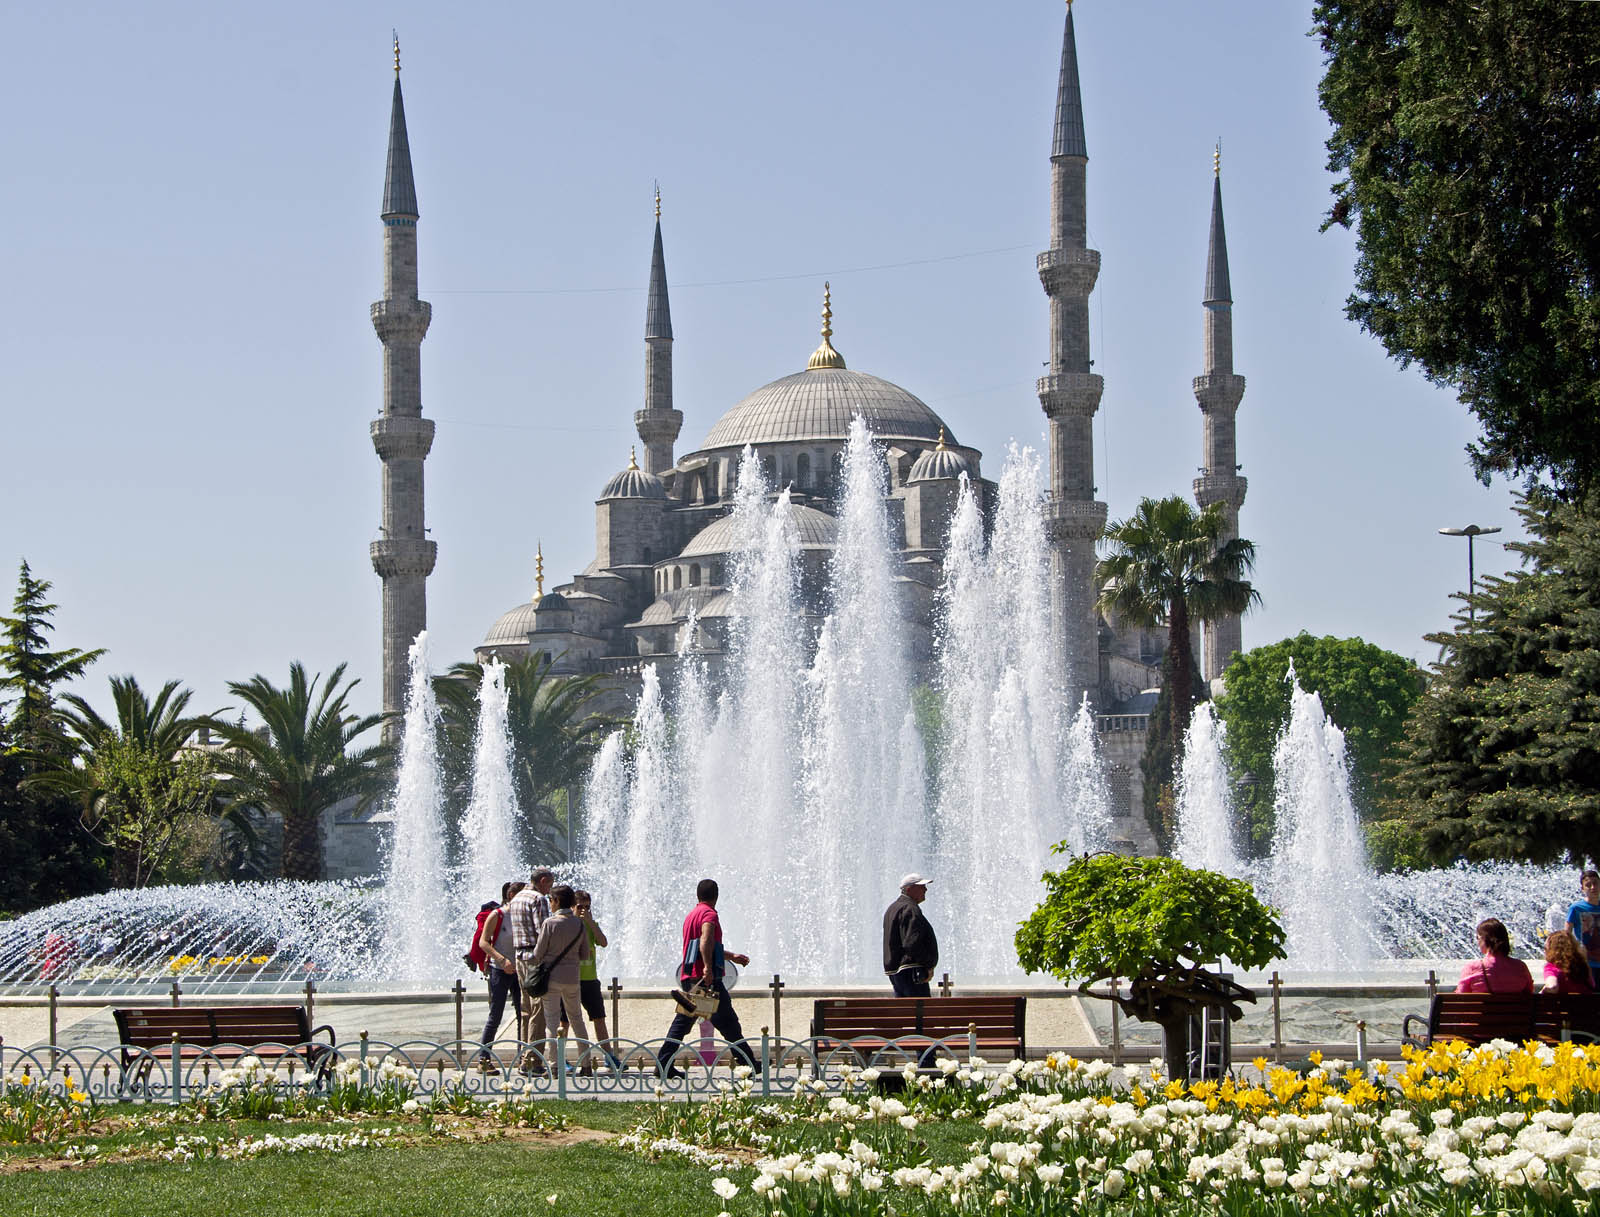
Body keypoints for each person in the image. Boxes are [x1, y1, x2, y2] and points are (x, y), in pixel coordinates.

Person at [656, 878, 756, 1078]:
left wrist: (732, 957)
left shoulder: (691, 915)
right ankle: (749, 1065)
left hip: (690, 976)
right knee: (728, 1022)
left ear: (698, 895)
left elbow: (706, 946)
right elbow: (706, 940)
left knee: (683, 1023)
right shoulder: (709, 914)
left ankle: (663, 1064)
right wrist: (708, 969)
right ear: (716, 896)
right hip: (707, 980)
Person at [528, 884, 591, 1075]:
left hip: (552, 979)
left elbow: (538, 953)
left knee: (552, 1022)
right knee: (577, 1019)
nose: (550, 903)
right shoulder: (579, 924)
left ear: (556, 901)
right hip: (573, 978)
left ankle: (555, 1065)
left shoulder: (550, 923)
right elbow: (585, 954)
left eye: (551, 900)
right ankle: (586, 1064)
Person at [559, 890, 620, 1070]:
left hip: (589, 979)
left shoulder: (591, 925)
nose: (584, 910)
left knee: (599, 1018)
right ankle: (560, 1058)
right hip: (570, 979)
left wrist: (591, 922)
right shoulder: (566, 925)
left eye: (587, 907)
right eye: (580, 907)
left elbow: (603, 942)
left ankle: (608, 1056)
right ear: (572, 906)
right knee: (564, 1021)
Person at [506, 867, 556, 1072]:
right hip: (535, 958)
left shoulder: (517, 898)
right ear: (543, 881)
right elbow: (542, 931)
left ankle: (524, 1056)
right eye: (550, 884)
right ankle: (533, 1060)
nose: (550, 890)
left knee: (525, 1009)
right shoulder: (538, 899)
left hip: (519, 956)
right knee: (538, 1010)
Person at [475, 881, 526, 1073]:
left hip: (520, 970)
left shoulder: (524, 915)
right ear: (511, 895)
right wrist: (502, 960)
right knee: (495, 1014)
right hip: (499, 969)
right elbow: (483, 942)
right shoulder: (498, 915)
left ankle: (524, 1058)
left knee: (524, 1015)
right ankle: (483, 1059)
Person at [883, 873, 938, 997]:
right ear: (909, 889)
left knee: (905, 1007)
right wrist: (928, 965)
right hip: (912, 971)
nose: (925, 889)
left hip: (897, 972)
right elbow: (912, 943)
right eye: (921, 886)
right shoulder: (910, 908)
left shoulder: (893, 908)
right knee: (919, 1007)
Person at [1455, 917, 1534, 994]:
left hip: (1482, 1004)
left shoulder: (1473, 967)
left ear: (1484, 939)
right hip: (1515, 1004)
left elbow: (1460, 996)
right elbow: (1529, 991)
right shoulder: (1520, 967)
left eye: (1477, 938)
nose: (1477, 942)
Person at [1567, 870, 1600, 987]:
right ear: (1582, 889)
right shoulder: (1576, 908)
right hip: (1586, 964)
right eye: (1588, 885)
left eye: (1595, 883)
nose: (1593, 887)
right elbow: (1567, 935)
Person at [1543, 929, 1596, 994]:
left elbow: (1553, 987)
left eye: (1545, 948)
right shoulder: (1583, 966)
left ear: (1551, 950)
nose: (1544, 951)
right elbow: (1592, 985)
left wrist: (1542, 992)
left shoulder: (1551, 967)